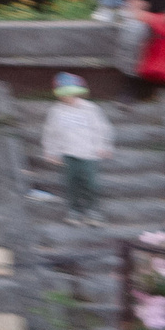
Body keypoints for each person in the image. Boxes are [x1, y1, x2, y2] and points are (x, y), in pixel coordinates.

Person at [42, 72, 112, 227]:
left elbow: (101, 128)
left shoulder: (90, 109)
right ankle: (74, 210)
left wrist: (103, 146)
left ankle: (93, 210)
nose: (68, 97)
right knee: (71, 184)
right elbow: (50, 132)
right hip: (68, 153)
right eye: (64, 94)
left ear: (78, 92)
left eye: (71, 93)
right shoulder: (56, 111)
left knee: (90, 183)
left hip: (89, 153)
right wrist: (51, 151)